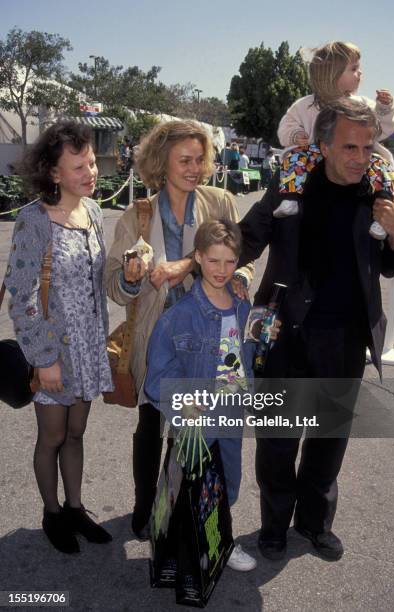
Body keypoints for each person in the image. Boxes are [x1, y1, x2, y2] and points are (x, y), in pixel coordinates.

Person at [238, 98, 394, 563]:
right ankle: (273, 526)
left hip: (345, 338)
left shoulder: (377, 189)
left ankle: (314, 523)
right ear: (324, 146)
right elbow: (249, 234)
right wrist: (198, 264)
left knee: (328, 440)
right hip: (285, 333)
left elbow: (392, 264)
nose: (360, 156)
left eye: (367, 146)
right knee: (278, 439)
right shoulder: (293, 184)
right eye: (349, 147)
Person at [105, 120, 254, 541]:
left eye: (199, 159)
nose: (194, 168)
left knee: (197, 428)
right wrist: (134, 277)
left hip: (211, 335)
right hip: (158, 335)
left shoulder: (221, 201)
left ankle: (179, 509)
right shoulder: (138, 214)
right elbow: (115, 286)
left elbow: (242, 258)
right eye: (184, 160)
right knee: (151, 419)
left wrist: (236, 275)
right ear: (161, 163)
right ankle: (143, 502)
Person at [4, 121, 113, 554]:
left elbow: (95, 281)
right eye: (79, 166)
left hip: (87, 348)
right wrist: (44, 358)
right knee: (51, 436)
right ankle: (52, 513)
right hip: (51, 352)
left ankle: (75, 507)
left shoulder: (96, 212)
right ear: (53, 173)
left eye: (91, 163)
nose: (91, 172)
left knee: (76, 432)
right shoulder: (33, 220)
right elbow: (21, 295)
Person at [144, 219, 262, 574]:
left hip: (230, 414)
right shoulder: (178, 317)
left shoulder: (243, 307)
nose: (222, 270)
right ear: (197, 257)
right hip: (196, 421)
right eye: (213, 261)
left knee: (228, 484)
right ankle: (190, 546)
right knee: (193, 487)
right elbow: (158, 377)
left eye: (230, 262)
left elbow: (246, 358)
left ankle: (220, 539)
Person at [275, 41, 394, 228]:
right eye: (354, 68)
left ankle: (382, 212)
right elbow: (286, 126)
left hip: (355, 163)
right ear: (332, 73)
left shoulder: (362, 104)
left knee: (381, 166)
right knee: (293, 158)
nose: (360, 73)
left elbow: (383, 129)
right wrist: (294, 134)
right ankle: (291, 198)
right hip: (312, 157)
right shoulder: (305, 105)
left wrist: (383, 108)